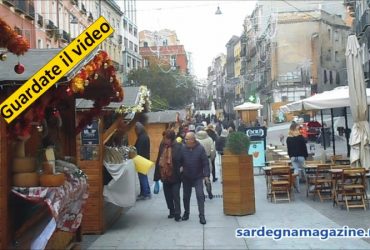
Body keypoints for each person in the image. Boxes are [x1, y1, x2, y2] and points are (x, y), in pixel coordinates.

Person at [181, 132, 210, 225]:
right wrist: (180, 167)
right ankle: (186, 213)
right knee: (186, 197)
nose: (185, 140)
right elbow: (179, 160)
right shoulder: (183, 148)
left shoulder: (200, 149)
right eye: (185, 139)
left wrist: (206, 176)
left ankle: (202, 216)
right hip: (186, 177)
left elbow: (205, 163)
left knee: (200, 195)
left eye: (187, 139)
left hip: (198, 177)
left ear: (193, 140)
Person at [154, 129, 182, 221]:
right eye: (164, 138)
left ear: (171, 139)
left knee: (175, 195)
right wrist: (156, 177)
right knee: (168, 195)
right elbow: (159, 159)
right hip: (165, 175)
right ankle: (171, 211)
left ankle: (177, 213)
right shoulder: (162, 146)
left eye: (166, 138)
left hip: (175, 175)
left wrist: (183, 170)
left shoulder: (178, 146)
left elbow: (182, 159)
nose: (164, 140)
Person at [286, 122, 308, 193]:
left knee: (296, 171)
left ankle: (298, 188)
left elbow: (288, 149)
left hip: (293, 157)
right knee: (304, 170)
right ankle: (307, 186)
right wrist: (306, 156)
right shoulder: (300, 137)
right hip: (301, 156)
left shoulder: (288, 139)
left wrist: (290, 156)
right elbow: (304, 147)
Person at [195, 126, 215, 198]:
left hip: (197, 161)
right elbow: (213, 150)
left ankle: (202, 195)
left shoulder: (196, 140)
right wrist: (211, 158)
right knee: (207, 176)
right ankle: (209, 187)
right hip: (207, 159)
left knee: (199, 179)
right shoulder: (209, 139)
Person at [135, 122, 151, 200]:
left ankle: (145, 194)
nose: (135, 131)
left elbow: (138, 149)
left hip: (141, 159)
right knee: (144, 176)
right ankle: (147, 192)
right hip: (145, 159)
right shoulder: (145, 136)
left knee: (142, 177)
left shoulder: (141, 137)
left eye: (136, 129)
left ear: (138, 129)